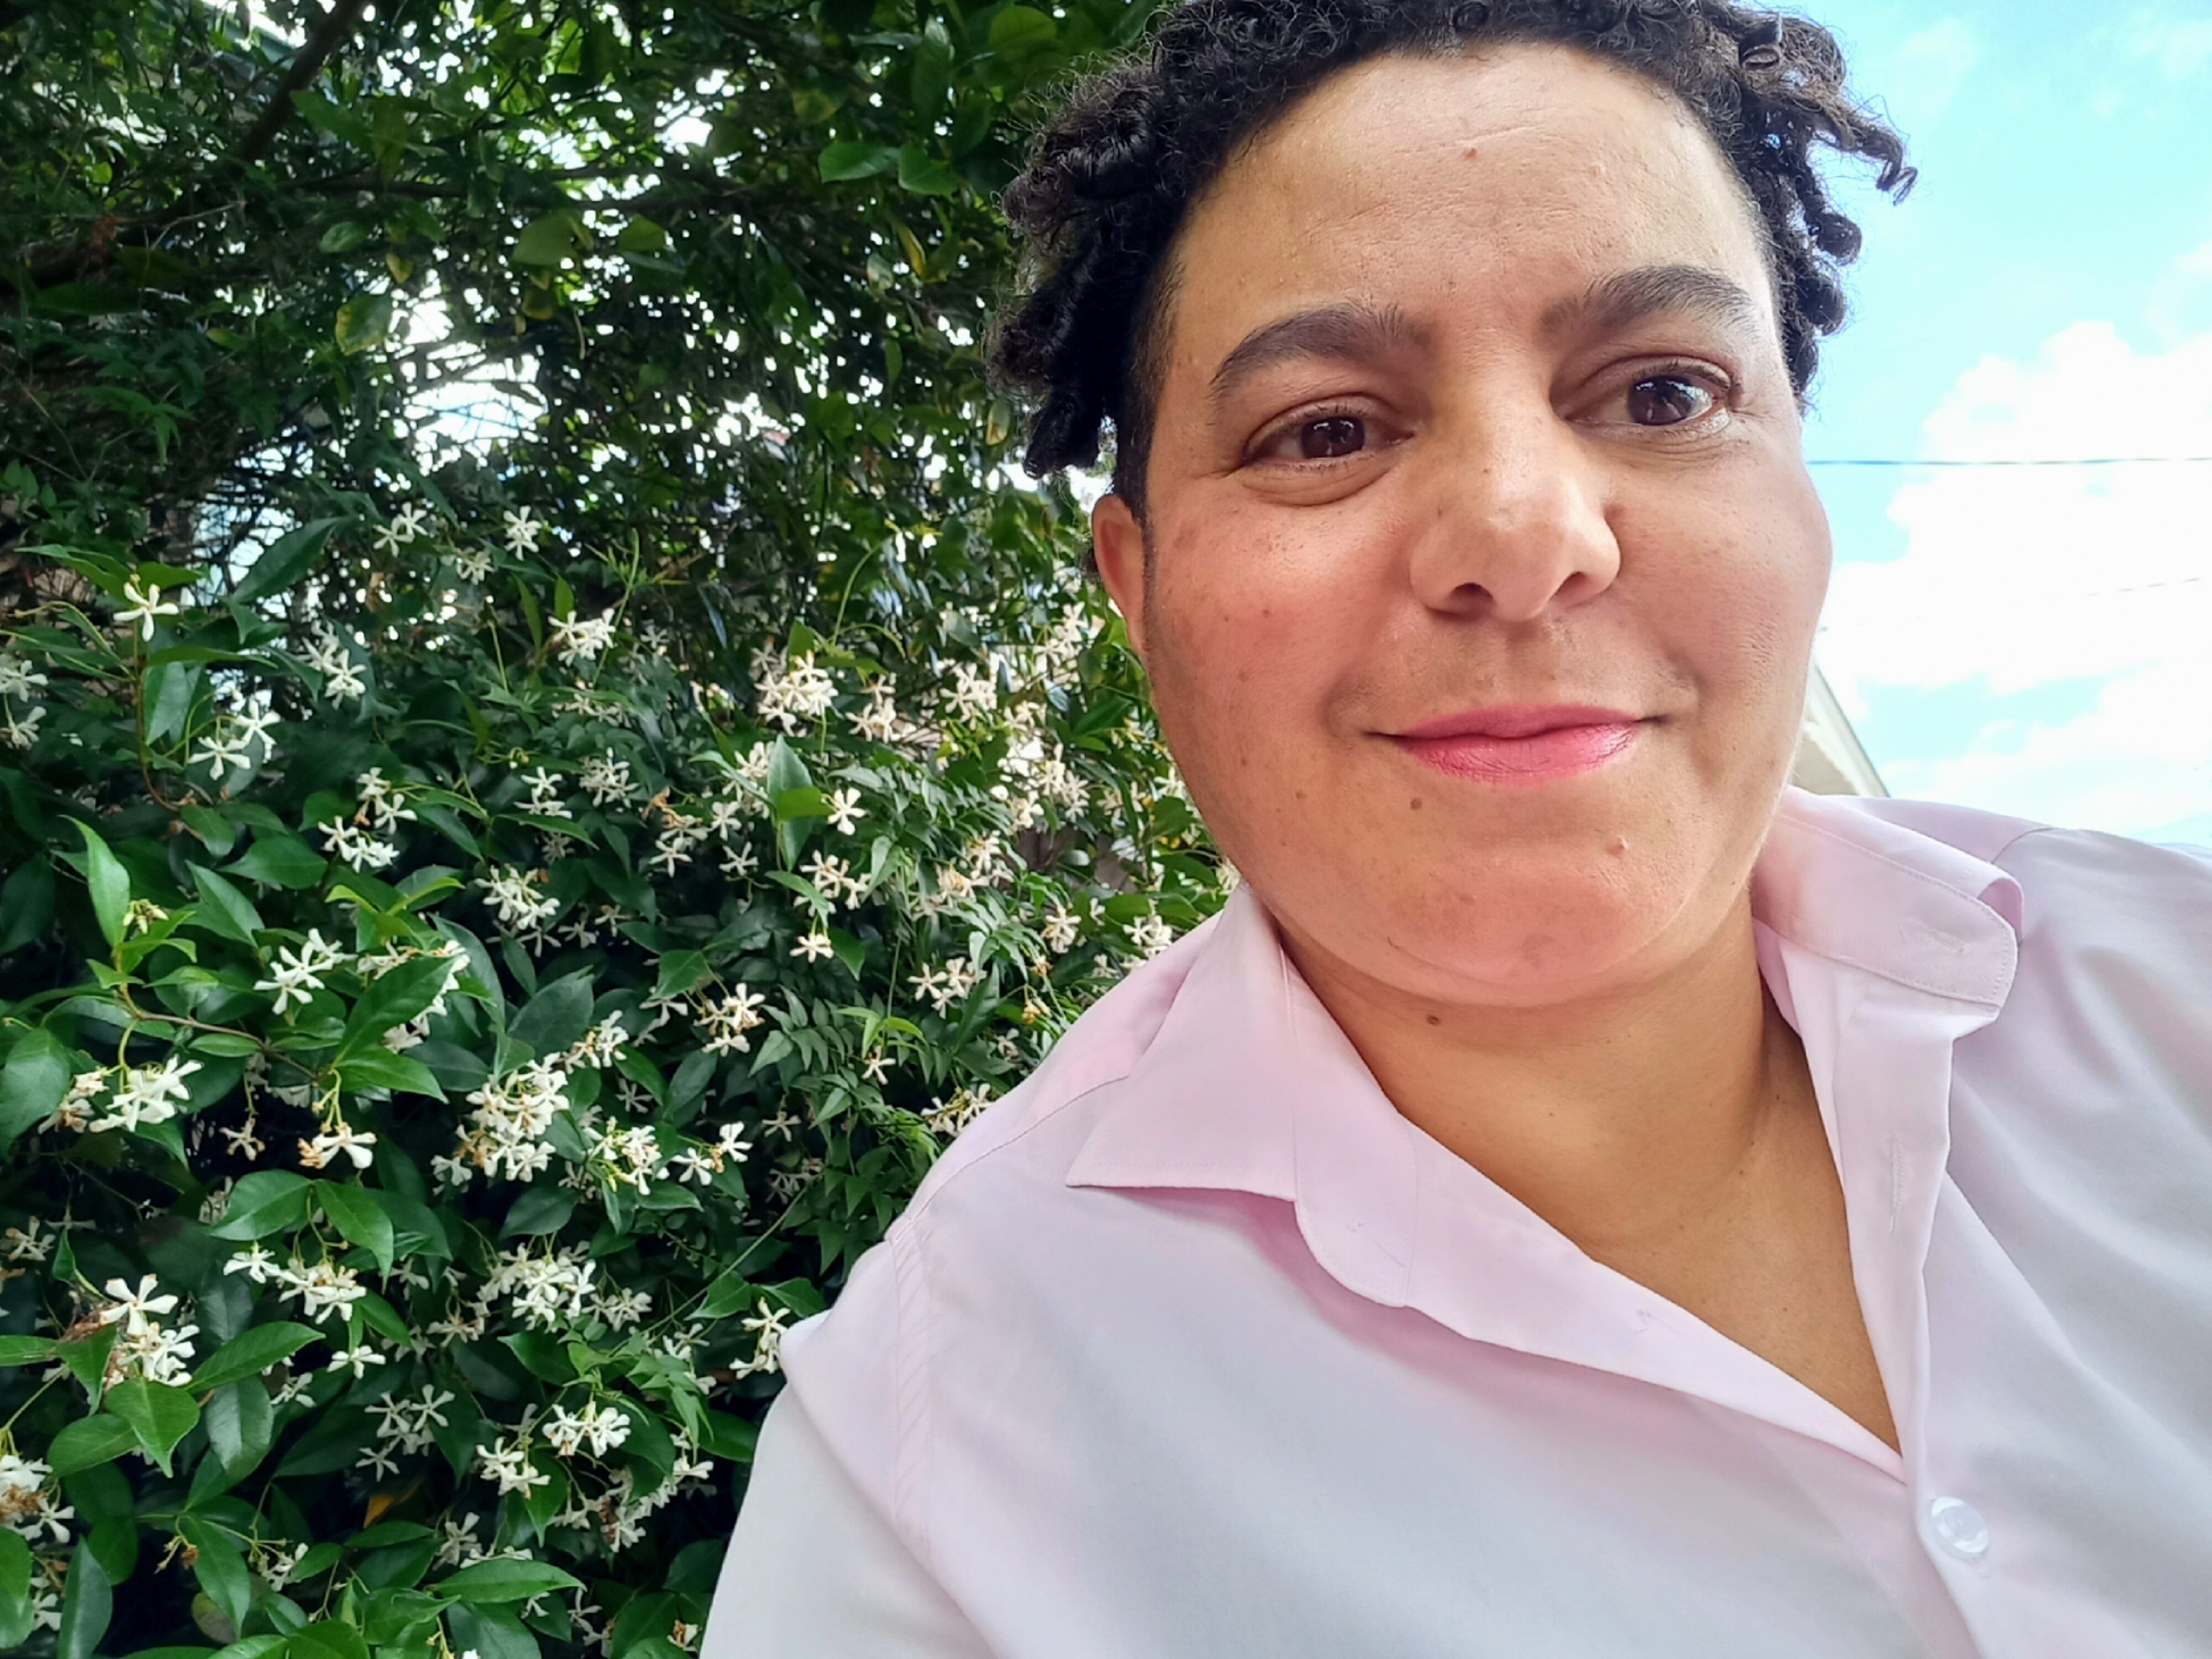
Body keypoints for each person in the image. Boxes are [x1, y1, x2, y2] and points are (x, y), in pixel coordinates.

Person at [702, 1, 2212, 1652]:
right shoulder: (940, 1460)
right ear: (1141, 592)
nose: (1521, 533)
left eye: (1663, 393)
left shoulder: (2172, 992)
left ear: (1801, 489)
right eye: (1325, 431)